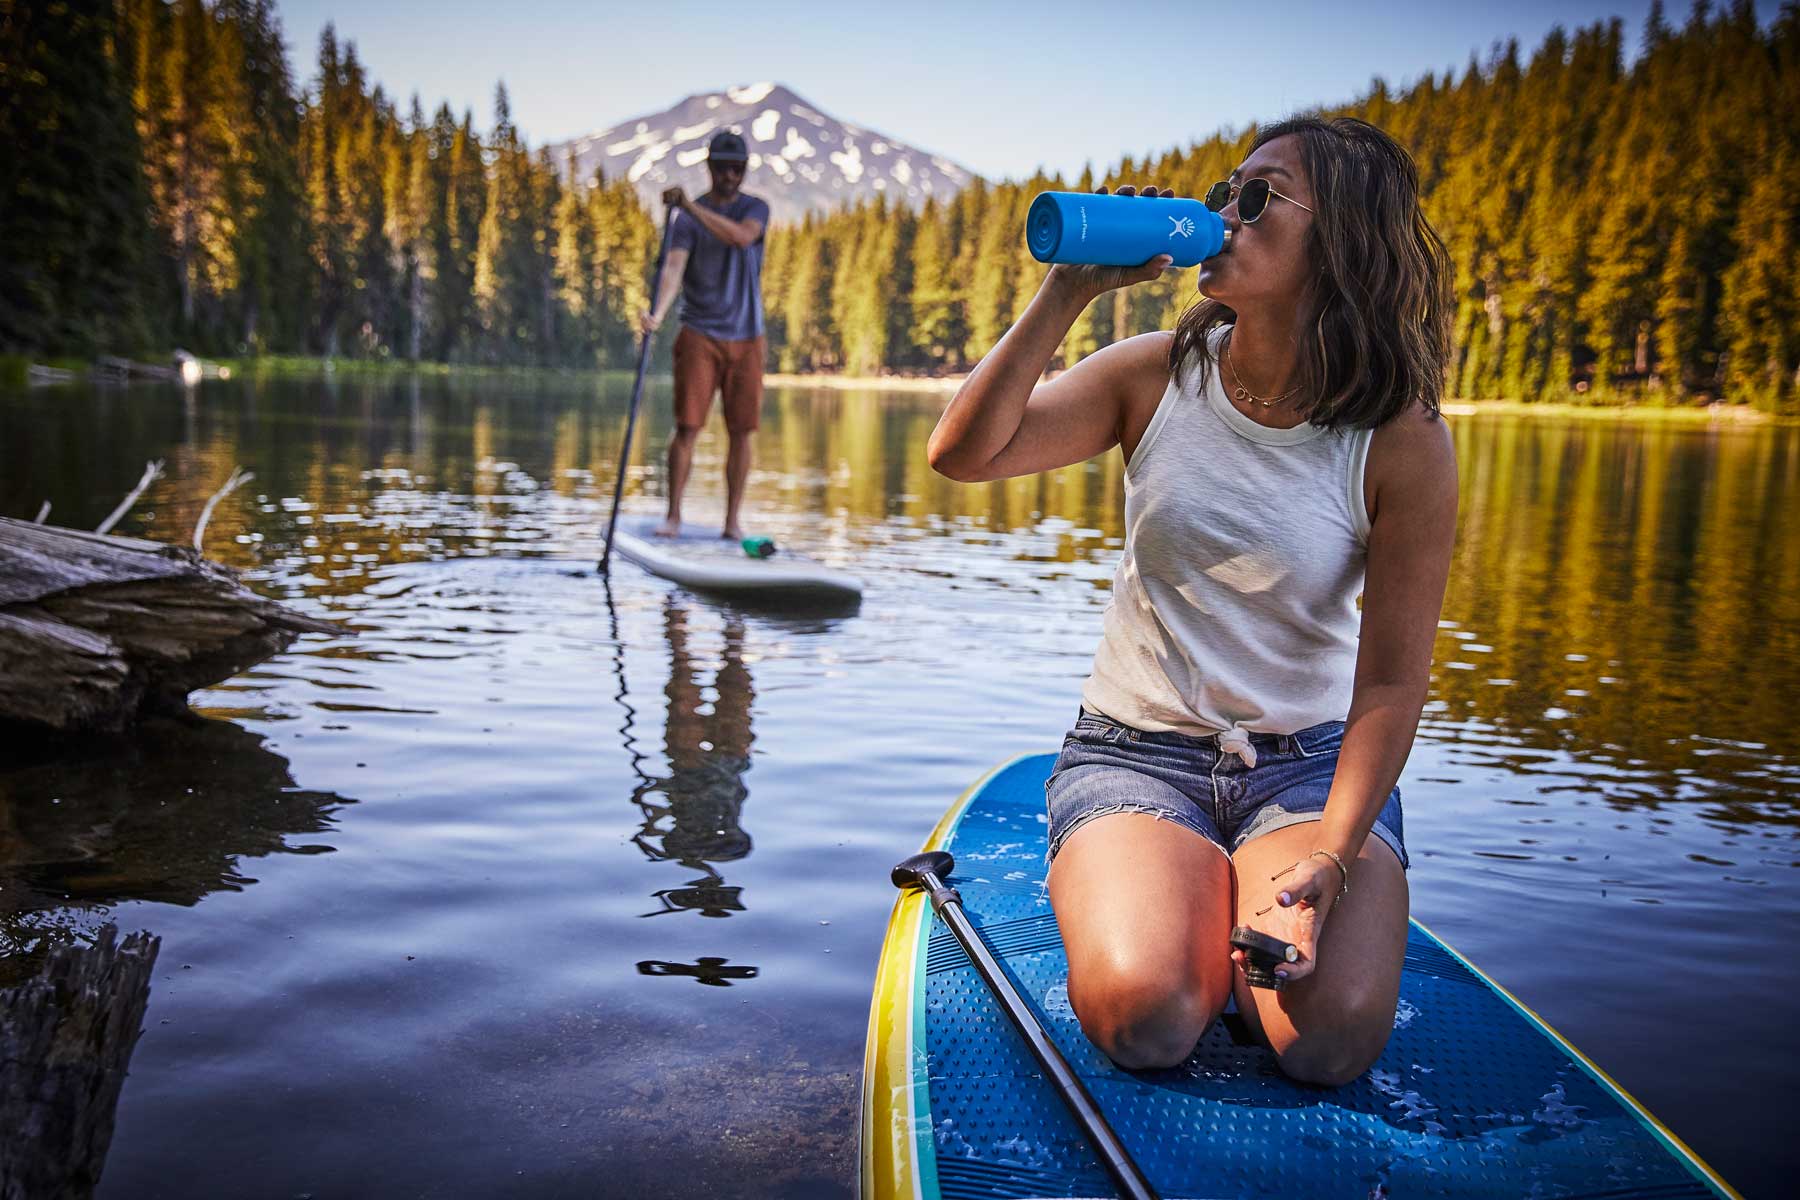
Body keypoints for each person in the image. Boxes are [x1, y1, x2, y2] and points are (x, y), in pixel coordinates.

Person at [927, 116, 1457, 1086]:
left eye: (1259, 199)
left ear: (1342, 243)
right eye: (1227, 190)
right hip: (1137, 755)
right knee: (1148, 1019)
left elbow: (1388, 684)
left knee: (1327, 1040)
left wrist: (1334, 857)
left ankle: (1228, 909)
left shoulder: (1400, 436)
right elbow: (964, 456)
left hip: (1307, 773)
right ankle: (1162, 905)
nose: (1224, 212)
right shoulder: (1156, 374)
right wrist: (1068, 290)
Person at [640, 129, 771, 540]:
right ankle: (673, 516)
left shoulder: (756, 209)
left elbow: (741, 237)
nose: (730, 175)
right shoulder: (685, 222)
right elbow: (673, 269)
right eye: (722, 168)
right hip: (699, 334)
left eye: (738, 168)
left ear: (744, 170)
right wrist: (657, 313)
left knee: (742, 432)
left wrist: (688, 209)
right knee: (688, 428)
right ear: (710, 168)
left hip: (749, 337)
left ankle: (732, 524)